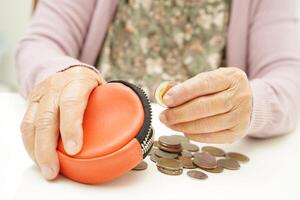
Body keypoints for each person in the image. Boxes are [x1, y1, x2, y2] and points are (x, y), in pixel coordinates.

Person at [16, 0, 300, 180]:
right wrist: (64, 74)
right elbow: (40, 43)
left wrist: (249, 104)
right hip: (102, 156)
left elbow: (289, 77)